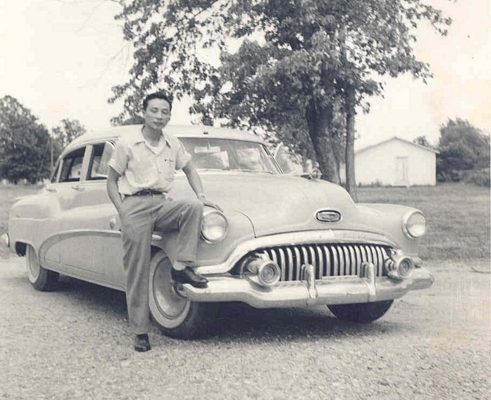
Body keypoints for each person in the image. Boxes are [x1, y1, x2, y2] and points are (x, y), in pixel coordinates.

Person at [106, 92, 219, 352]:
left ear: (169, 115)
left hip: (161, 202)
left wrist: (201, 195)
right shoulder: (127, 143)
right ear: (143, 113)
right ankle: (140, 331)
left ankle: (181, 266)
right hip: (134, 205)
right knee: (137, 269)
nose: (159, 116)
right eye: (154, 110)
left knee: (193, 207)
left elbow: (190, 169)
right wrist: (122, 210)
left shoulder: (173, 143)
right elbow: (111, 181)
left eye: (164, 111)